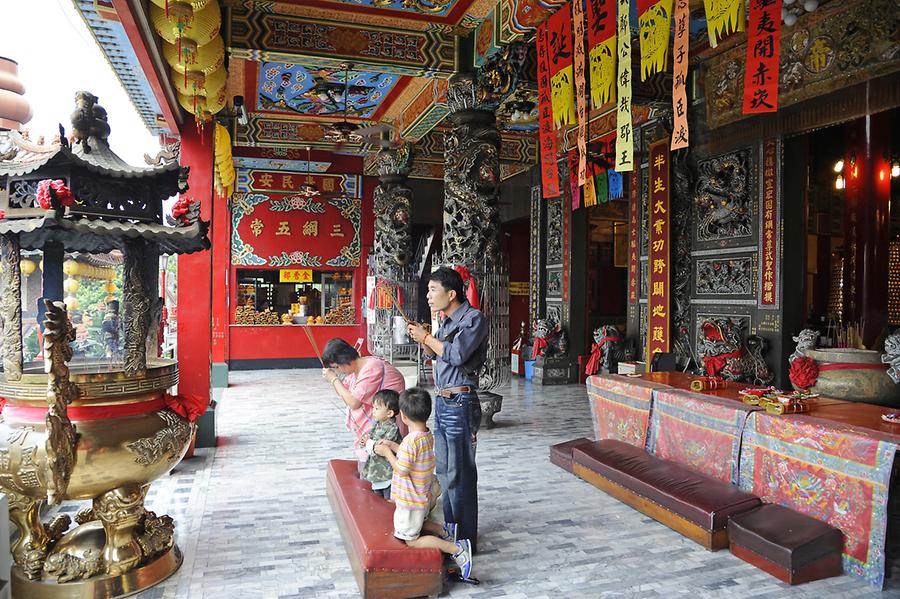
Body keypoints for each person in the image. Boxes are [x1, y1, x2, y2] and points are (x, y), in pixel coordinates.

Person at [406, 266, 487, 551]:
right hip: (443, 401)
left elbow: (456, 354)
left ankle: (465, 541)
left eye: (432, 290)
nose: (428, 296)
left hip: (461, 402)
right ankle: (453, 534)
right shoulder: (448, 321)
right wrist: (424, 339)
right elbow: (438, 356)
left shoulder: (473, 319)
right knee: (444, 473)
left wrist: (429, 339)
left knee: (460, 474)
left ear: (451, 294)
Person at [374, 387, 473, 579]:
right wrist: (395, 446)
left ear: (402, 415)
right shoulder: (426, 435)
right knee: (416, 523)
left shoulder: (411, 441)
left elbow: (402, 469)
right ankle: (444, 530)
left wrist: (387, 454)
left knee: (410, 540)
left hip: (410, 500)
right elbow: (412, 455)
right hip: (420, 496)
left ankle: (456, 549)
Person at [321, 338, 406, 464]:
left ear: (344, 360)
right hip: (379, 424)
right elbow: (344, 394)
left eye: (337, 367)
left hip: (389, 425)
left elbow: (354, 402)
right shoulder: (359, 369)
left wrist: (334, 379)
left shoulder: (371, 368)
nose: (339, 371)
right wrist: (334, 380)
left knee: (384, 466)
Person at [361, 389, 403, 499]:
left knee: (388, 502)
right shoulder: (377, 425)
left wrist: (368, 443)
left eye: (377, 408)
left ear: (390, 413)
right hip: (376, 473)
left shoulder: (392, 428)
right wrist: (364, 442)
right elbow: (370, 441)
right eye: (373, 408)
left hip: (387, 474)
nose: (373, 411)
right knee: (377, 502)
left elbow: (381, 447)